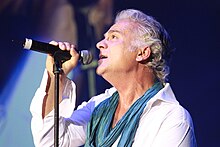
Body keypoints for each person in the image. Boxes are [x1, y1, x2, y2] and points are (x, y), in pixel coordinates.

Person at [30, 9, 197, 146]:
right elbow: (50, 140)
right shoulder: (100, 105)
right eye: (104, 38)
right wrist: (55, 76)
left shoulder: (171, 119)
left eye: (113, 37)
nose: (100, 44)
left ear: (142, 52)